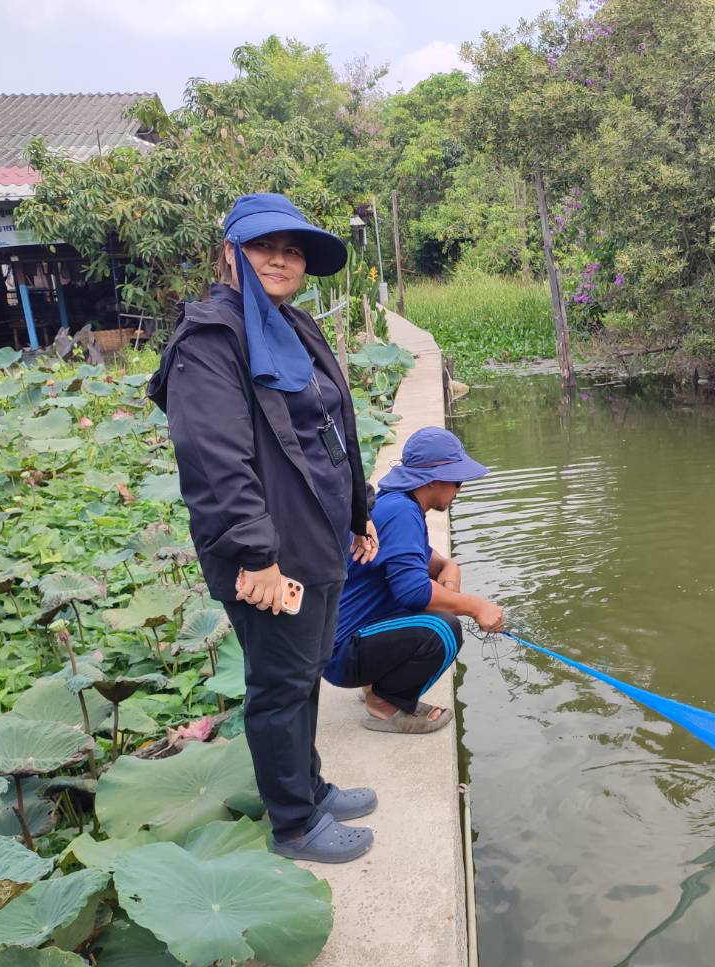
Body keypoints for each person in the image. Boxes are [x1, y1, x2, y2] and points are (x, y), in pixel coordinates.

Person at [148, 193, 383, 865]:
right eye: (262, 247)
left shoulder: (295, 325)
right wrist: (257, 556)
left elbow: (332, 429)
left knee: (304, 670)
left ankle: (309, 784)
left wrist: (358, 512)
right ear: (229, 254)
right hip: (266, 551)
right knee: (279, 685)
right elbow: (216, 460)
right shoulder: (210, 339)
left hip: (317, 534)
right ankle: (294, 824)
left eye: (292, 250)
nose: (279, 259)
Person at [324, 427, 505, 732]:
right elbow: (414, 592)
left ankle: (375, 685)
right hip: (343, 652)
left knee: (442, 612)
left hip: (344, 643)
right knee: (444, 631)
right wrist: (475, 606)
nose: (459, 490)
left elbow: (429, 562)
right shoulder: (402, 512)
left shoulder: (399, 503)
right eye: (457, 481)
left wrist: (449, 567)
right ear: (434, 479)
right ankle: (384, 703)